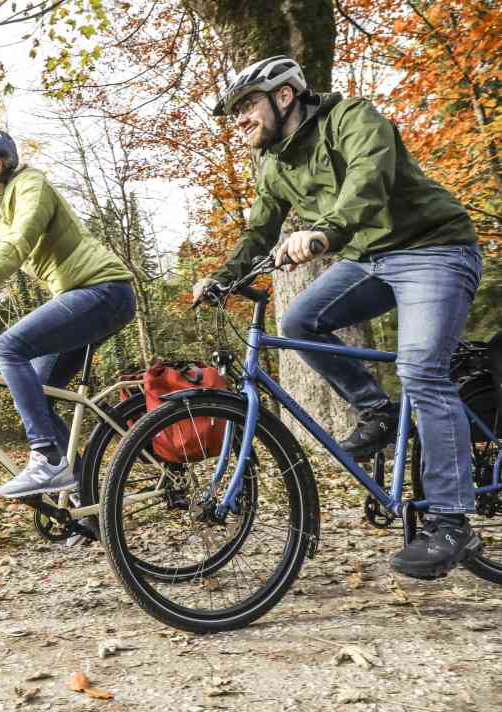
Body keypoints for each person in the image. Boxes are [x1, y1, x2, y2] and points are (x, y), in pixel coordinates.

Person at [193, 56, 483, 580]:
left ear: (284, 96)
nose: (241, 120)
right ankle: (379, 411)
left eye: (247, 106)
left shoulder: (353, 118)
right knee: (298, 324)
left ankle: (451, 520)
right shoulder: (275, 164)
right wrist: (221, 277)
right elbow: (259, 231)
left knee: (421, 369)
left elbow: (368, 180)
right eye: (235, 113)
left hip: (434, 249)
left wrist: (324, 232)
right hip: (370, 259)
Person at [0, 129, 136, 498]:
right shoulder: (0, 217)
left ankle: (47, 458)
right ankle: (85, 500)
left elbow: (17, 245)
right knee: (36, 394)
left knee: (7, 347)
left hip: (104, 290)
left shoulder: (31, 186)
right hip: (82, 297)